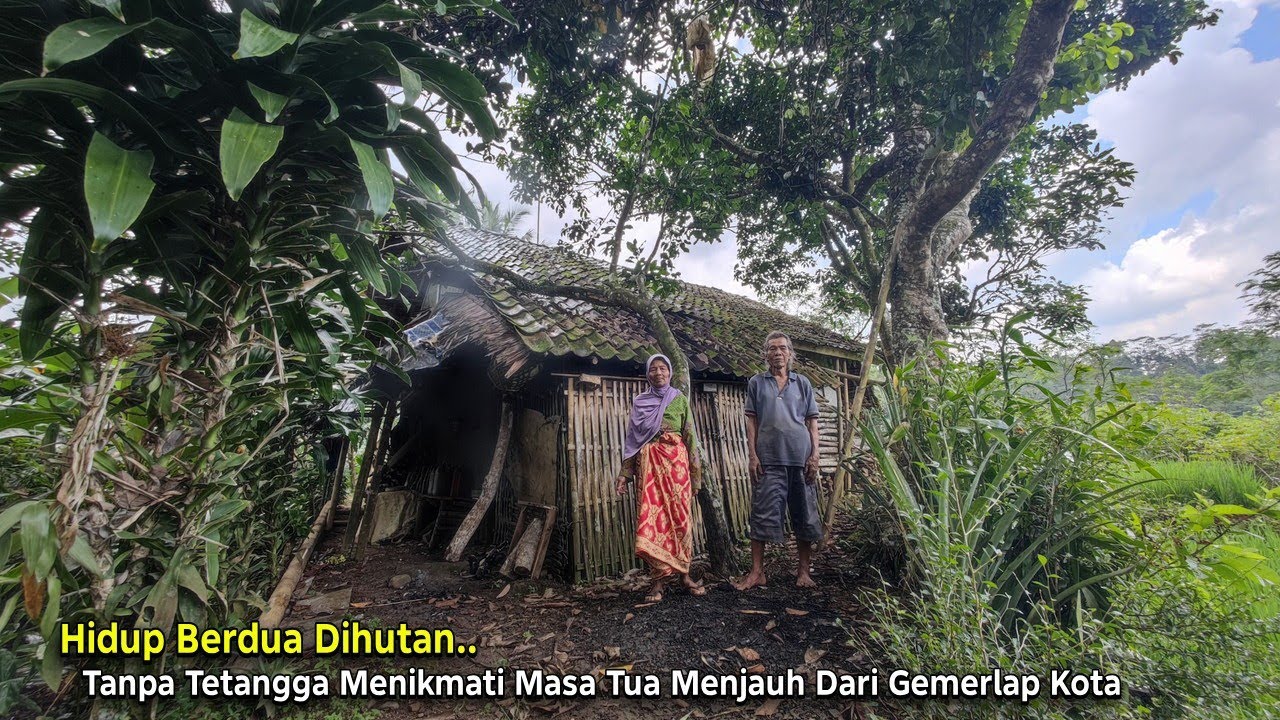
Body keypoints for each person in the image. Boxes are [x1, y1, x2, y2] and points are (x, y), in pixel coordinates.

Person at [734, 331, 823, 590]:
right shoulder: (757, 383)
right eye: (772, 349)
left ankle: (804, 573)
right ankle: (757, 573)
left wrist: (815, 455)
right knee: (761, 514)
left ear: (790, 353)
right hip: (768, 459)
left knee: (804, 515)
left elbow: (812, 422)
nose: (777, 353)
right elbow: (751, 420)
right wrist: (752, 455)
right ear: (765, 355)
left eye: (782, 348)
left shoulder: (802, 383)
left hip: (801, 458)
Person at [615, 354, 707, 601]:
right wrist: (625, 474)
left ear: (669, 372)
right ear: (648, 374)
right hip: (649, 469)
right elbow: (633, 442)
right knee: (653, 523)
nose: (658, 372)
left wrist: (696, 477)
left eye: (663, 368)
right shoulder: (640, 402)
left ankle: (684, 575)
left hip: (677, 468)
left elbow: (691, 438)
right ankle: (657, 583)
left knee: (681, 519)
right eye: (653, 369)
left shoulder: (679, 399)